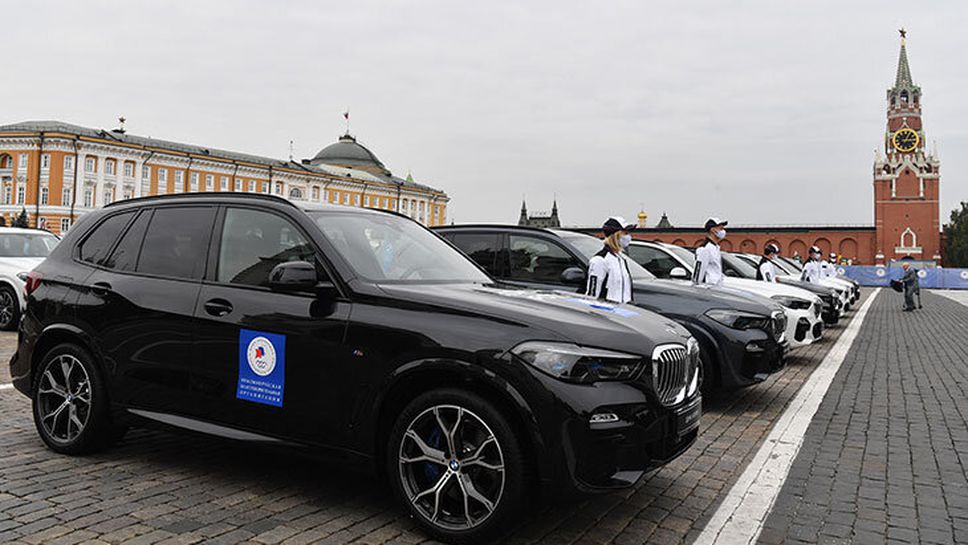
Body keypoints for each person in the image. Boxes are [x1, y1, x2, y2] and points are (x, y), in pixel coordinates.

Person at [585, 216, 636, 304]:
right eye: (625, 233)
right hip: (608, 313)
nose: (629, 236)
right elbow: (592, 296)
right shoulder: (600, 260)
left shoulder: (621, 259)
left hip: (625, 311)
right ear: (616, 235)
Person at [693, 217, 727, 287]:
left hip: (717, 288)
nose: (723, 231)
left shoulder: (715, 247)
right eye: (721, 229)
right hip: (709, 289)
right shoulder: (704, 249)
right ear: (713, 230)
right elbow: (698, 276)